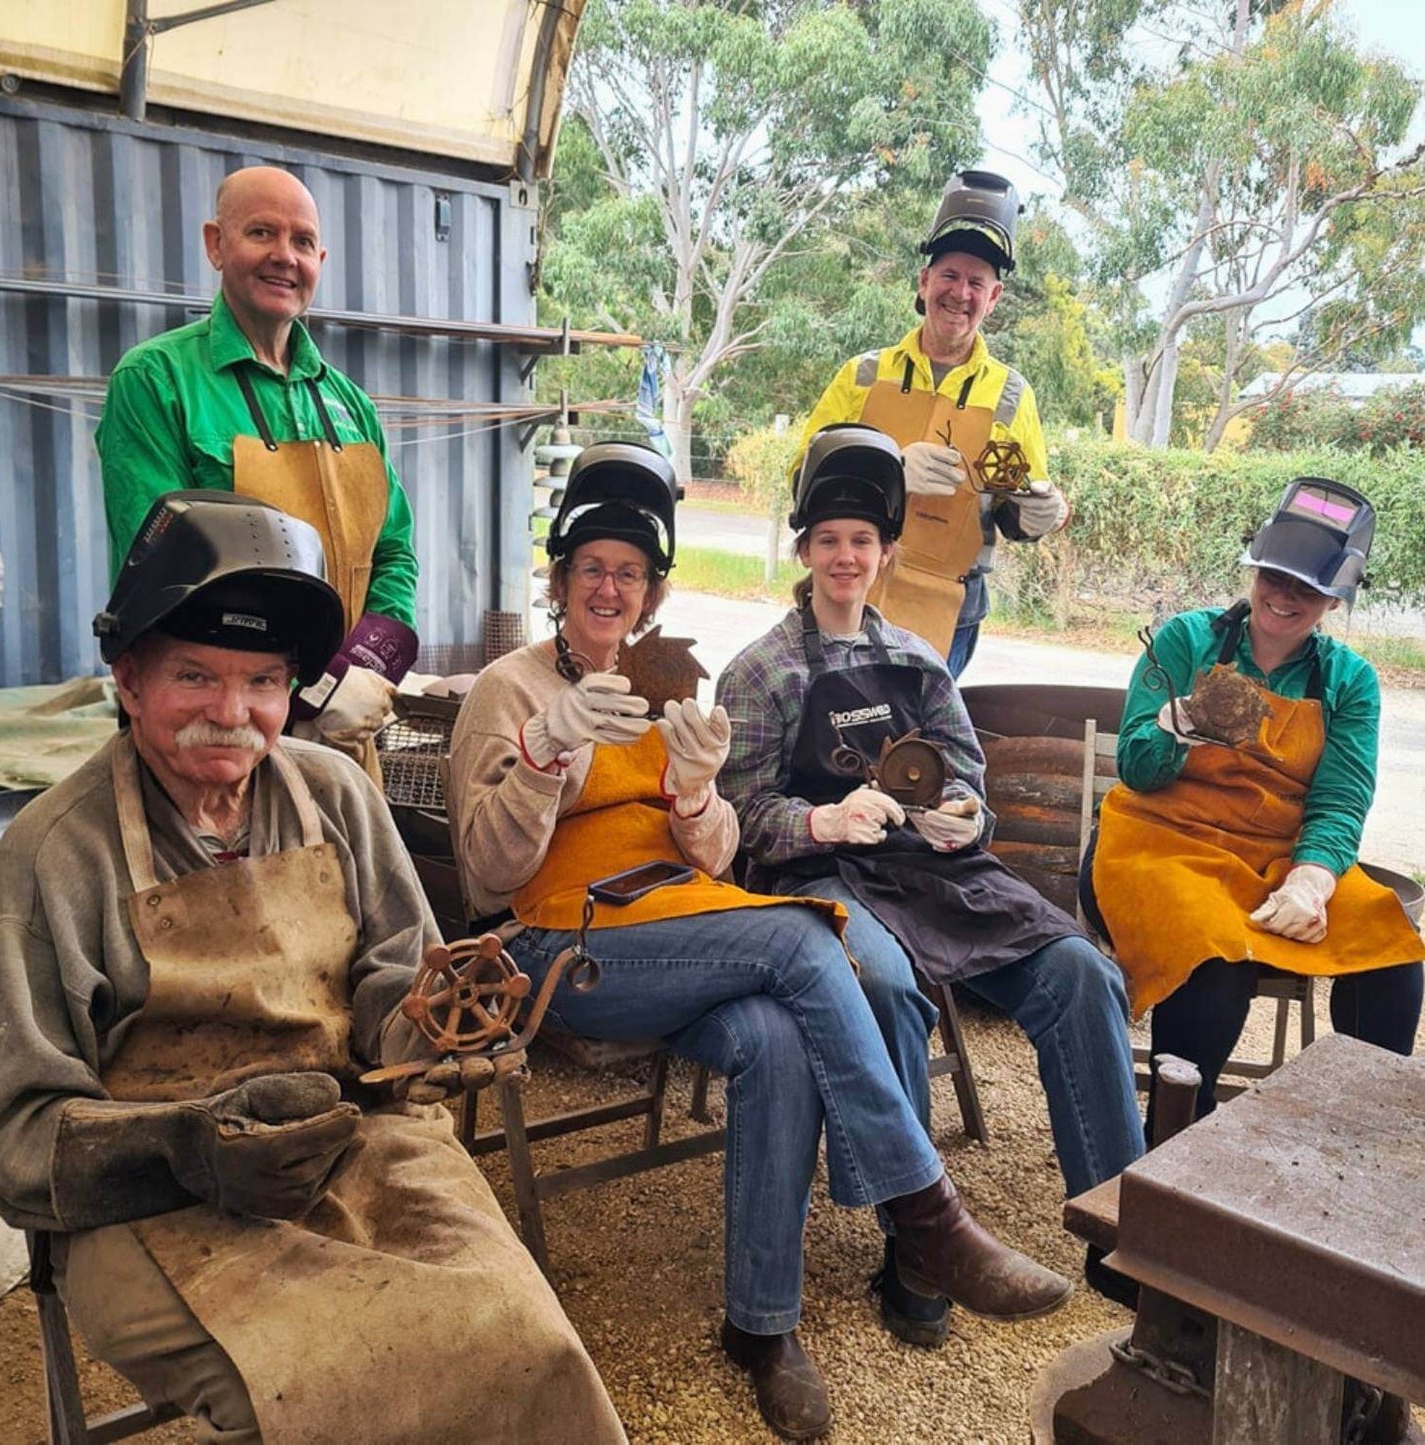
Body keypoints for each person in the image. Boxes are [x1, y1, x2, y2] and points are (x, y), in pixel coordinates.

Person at [448, 440, 1072, 1441]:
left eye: (630, 572)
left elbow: (719, 852)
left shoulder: (665, 685)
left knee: (776, 1038)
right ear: (560, 579)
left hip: (678, 925)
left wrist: (695, 794)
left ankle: (761, 1323)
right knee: (799, 939)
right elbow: (485, 875)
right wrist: (541, 753)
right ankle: (926, 1214)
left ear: (651, 591)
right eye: (591, 568)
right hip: (556, 948)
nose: (609, 587)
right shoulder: (508, 689)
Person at [0, 491, 625, 1445]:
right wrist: (181, 1147)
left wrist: (438, 1033)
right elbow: (14, 1133)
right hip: (151, 1199)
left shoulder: (335, 792)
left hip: (353, 1134)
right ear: (127, 678)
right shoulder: (53, 853)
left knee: (528, 1342)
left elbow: (395, 990)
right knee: (326, 1390)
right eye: (193, 675)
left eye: (264, 682)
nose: (231, 714)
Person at [716, 426, 1144, 1334]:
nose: (845, 556)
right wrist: (823, 819)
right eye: (827, 539)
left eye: (861, 541)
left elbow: (966, 782)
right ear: (803, 551)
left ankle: (1120, 1227)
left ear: (885, 555)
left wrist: (962, 816)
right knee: (884, 985)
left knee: (1081, 972)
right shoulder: (759, 670)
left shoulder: (917, 659)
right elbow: (739, 819)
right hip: (819, 874)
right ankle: (915, 1241)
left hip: (930, 870)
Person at [1085, 476, 1423, 1123]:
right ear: (1256, 565)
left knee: (1391, 951)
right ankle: (1174, 1145)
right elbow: (1134, 766)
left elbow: (1340, 798)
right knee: (1213, 957)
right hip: (1160, 844)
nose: (1282, 595)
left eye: (1306, 586)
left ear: (1334, 598)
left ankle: (1355, 1138)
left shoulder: (1349, 682)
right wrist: (1178, 721)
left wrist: (1311, 879)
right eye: (1274, 573)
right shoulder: (1184, 641)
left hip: (1276, 856)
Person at [96, 164, 418, 768]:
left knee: (340, 863)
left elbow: (394, 550)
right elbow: (161, 571)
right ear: (216, 244)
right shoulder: (156, 380)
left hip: (343, 730)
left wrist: (366, 671)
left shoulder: (351, 405)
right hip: (214, 728)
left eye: (301, 242)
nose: (284, 257)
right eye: (261, 233)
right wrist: (301, 689)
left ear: (320, 258)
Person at [792, 169, 1069, 676]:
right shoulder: (863, 375)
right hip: (847, 587)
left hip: (950, 608)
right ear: (924, 282)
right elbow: (801, 479)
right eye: (949, 276)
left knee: (917, 749)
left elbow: (1011, 504)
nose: (960, 293)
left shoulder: (1011, 396)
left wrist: (1035, 518)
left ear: (994, 297)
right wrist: (888, 467)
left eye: (976, 282)